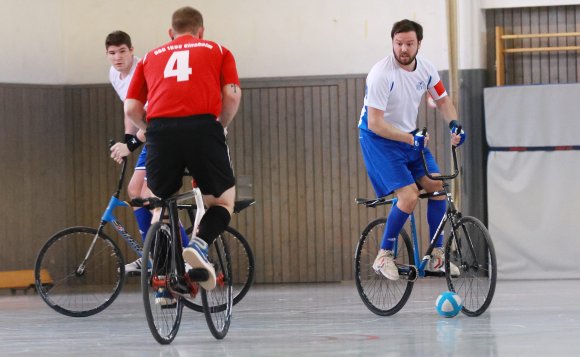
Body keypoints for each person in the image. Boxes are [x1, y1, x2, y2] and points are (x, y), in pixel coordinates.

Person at [124, 6, 241, 298]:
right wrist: (220, 126)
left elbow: (131, 108)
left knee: (160, 203)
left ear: (170, 33)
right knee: (222, 202)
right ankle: (199, 245)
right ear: (200, 31)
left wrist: (148, 130)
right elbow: (231, 94)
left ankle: (165, 276)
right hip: (203, 127)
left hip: (161, 131)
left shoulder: (150, 57)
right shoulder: (218, 50)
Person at [358, 19, 465, 280]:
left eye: (409, 44)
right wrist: (409, 139)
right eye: (398, 44)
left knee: (438, 189)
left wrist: (455, 124)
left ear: (419, 44)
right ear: (392, 42)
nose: (403, 49)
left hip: (409, 137)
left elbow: (442, 99)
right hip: (379, 139)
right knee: (408, 197)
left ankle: (436, 256)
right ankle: (384, 254)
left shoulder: (427, 69)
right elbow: (375, 123)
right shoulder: (381, 74)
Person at [105, 30, 154, 275]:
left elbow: (152, 121)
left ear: (132, 50)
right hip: (149, 135)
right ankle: (151, 253)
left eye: (122, 51)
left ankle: (181, 253)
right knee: (134, 192)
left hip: (160, 132)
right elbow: (130, 110)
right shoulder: (114, 74)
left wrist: (132, 145)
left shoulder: (142, 71)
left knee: (150, 195)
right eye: (112, 53)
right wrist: (127, 140)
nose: (117, 58)